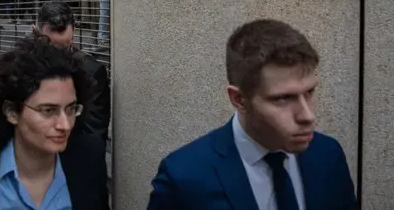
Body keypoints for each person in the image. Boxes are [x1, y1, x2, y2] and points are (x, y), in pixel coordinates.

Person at [147, 19, 358, 210]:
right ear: (239, 99)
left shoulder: (328, 155)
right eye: (283, 99)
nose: (307, 115)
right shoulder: (184, 177)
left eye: (310, 92)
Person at [0, 36, 110, 210]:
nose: (65, 125)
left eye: (71, 109)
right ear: (12, 112)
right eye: (48, 111)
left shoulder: (89, 158)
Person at [33, 2, 111, 142]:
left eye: (65, 46)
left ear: (72, 37)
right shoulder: (21, 65)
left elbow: (94, 136)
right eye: (51, 46)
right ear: (36, 33)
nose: (58, 55)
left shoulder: (91, 72)